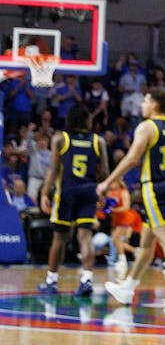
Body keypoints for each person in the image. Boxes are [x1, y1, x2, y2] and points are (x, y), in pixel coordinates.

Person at [100, 89, 165, 309]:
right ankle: (127, 288)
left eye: (146, 101)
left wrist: (108, 181)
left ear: (155, 106)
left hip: (154, 187)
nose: (142, 104)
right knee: (146, 242)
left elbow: (132, 159)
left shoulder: (147, 127)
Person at [36, 106, 108, 296]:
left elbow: (53, 170)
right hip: (88, 192)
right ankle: (87, 279)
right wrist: (102, 194)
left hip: (66, 192)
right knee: (85, 237)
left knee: (59, 238)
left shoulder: (60, 139)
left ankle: (51, 281)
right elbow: (105, 173)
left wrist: (44, 194)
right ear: (87, 121)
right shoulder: (98, 141)